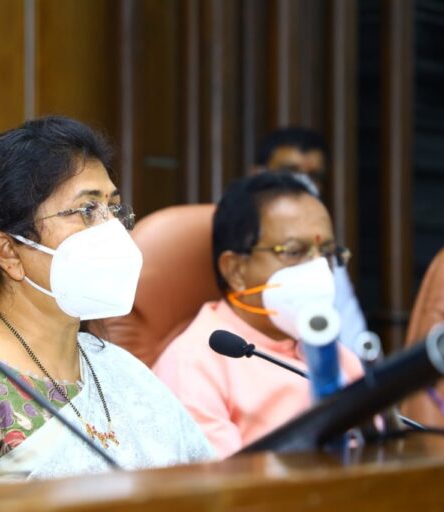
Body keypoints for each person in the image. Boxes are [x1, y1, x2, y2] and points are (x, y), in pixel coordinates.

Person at [0, 116, 214, 495]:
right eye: (85, 210)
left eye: (113, 208)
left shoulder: (116, 368)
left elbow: (212, 494)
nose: (112, 228)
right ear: (8, 251)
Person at [153, 173, 363, 458]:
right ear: (236, 270)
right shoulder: (192, 365)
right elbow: (227, 492)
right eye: (294, 251)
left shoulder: (334, 353)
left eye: (326, 253)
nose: (319, 270)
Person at [252, 127, 367, 351]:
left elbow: (354, 343)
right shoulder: (234, 237)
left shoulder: (325, 254)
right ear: (258, 173)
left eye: (314, 176)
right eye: (289, 171)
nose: (303, 184)